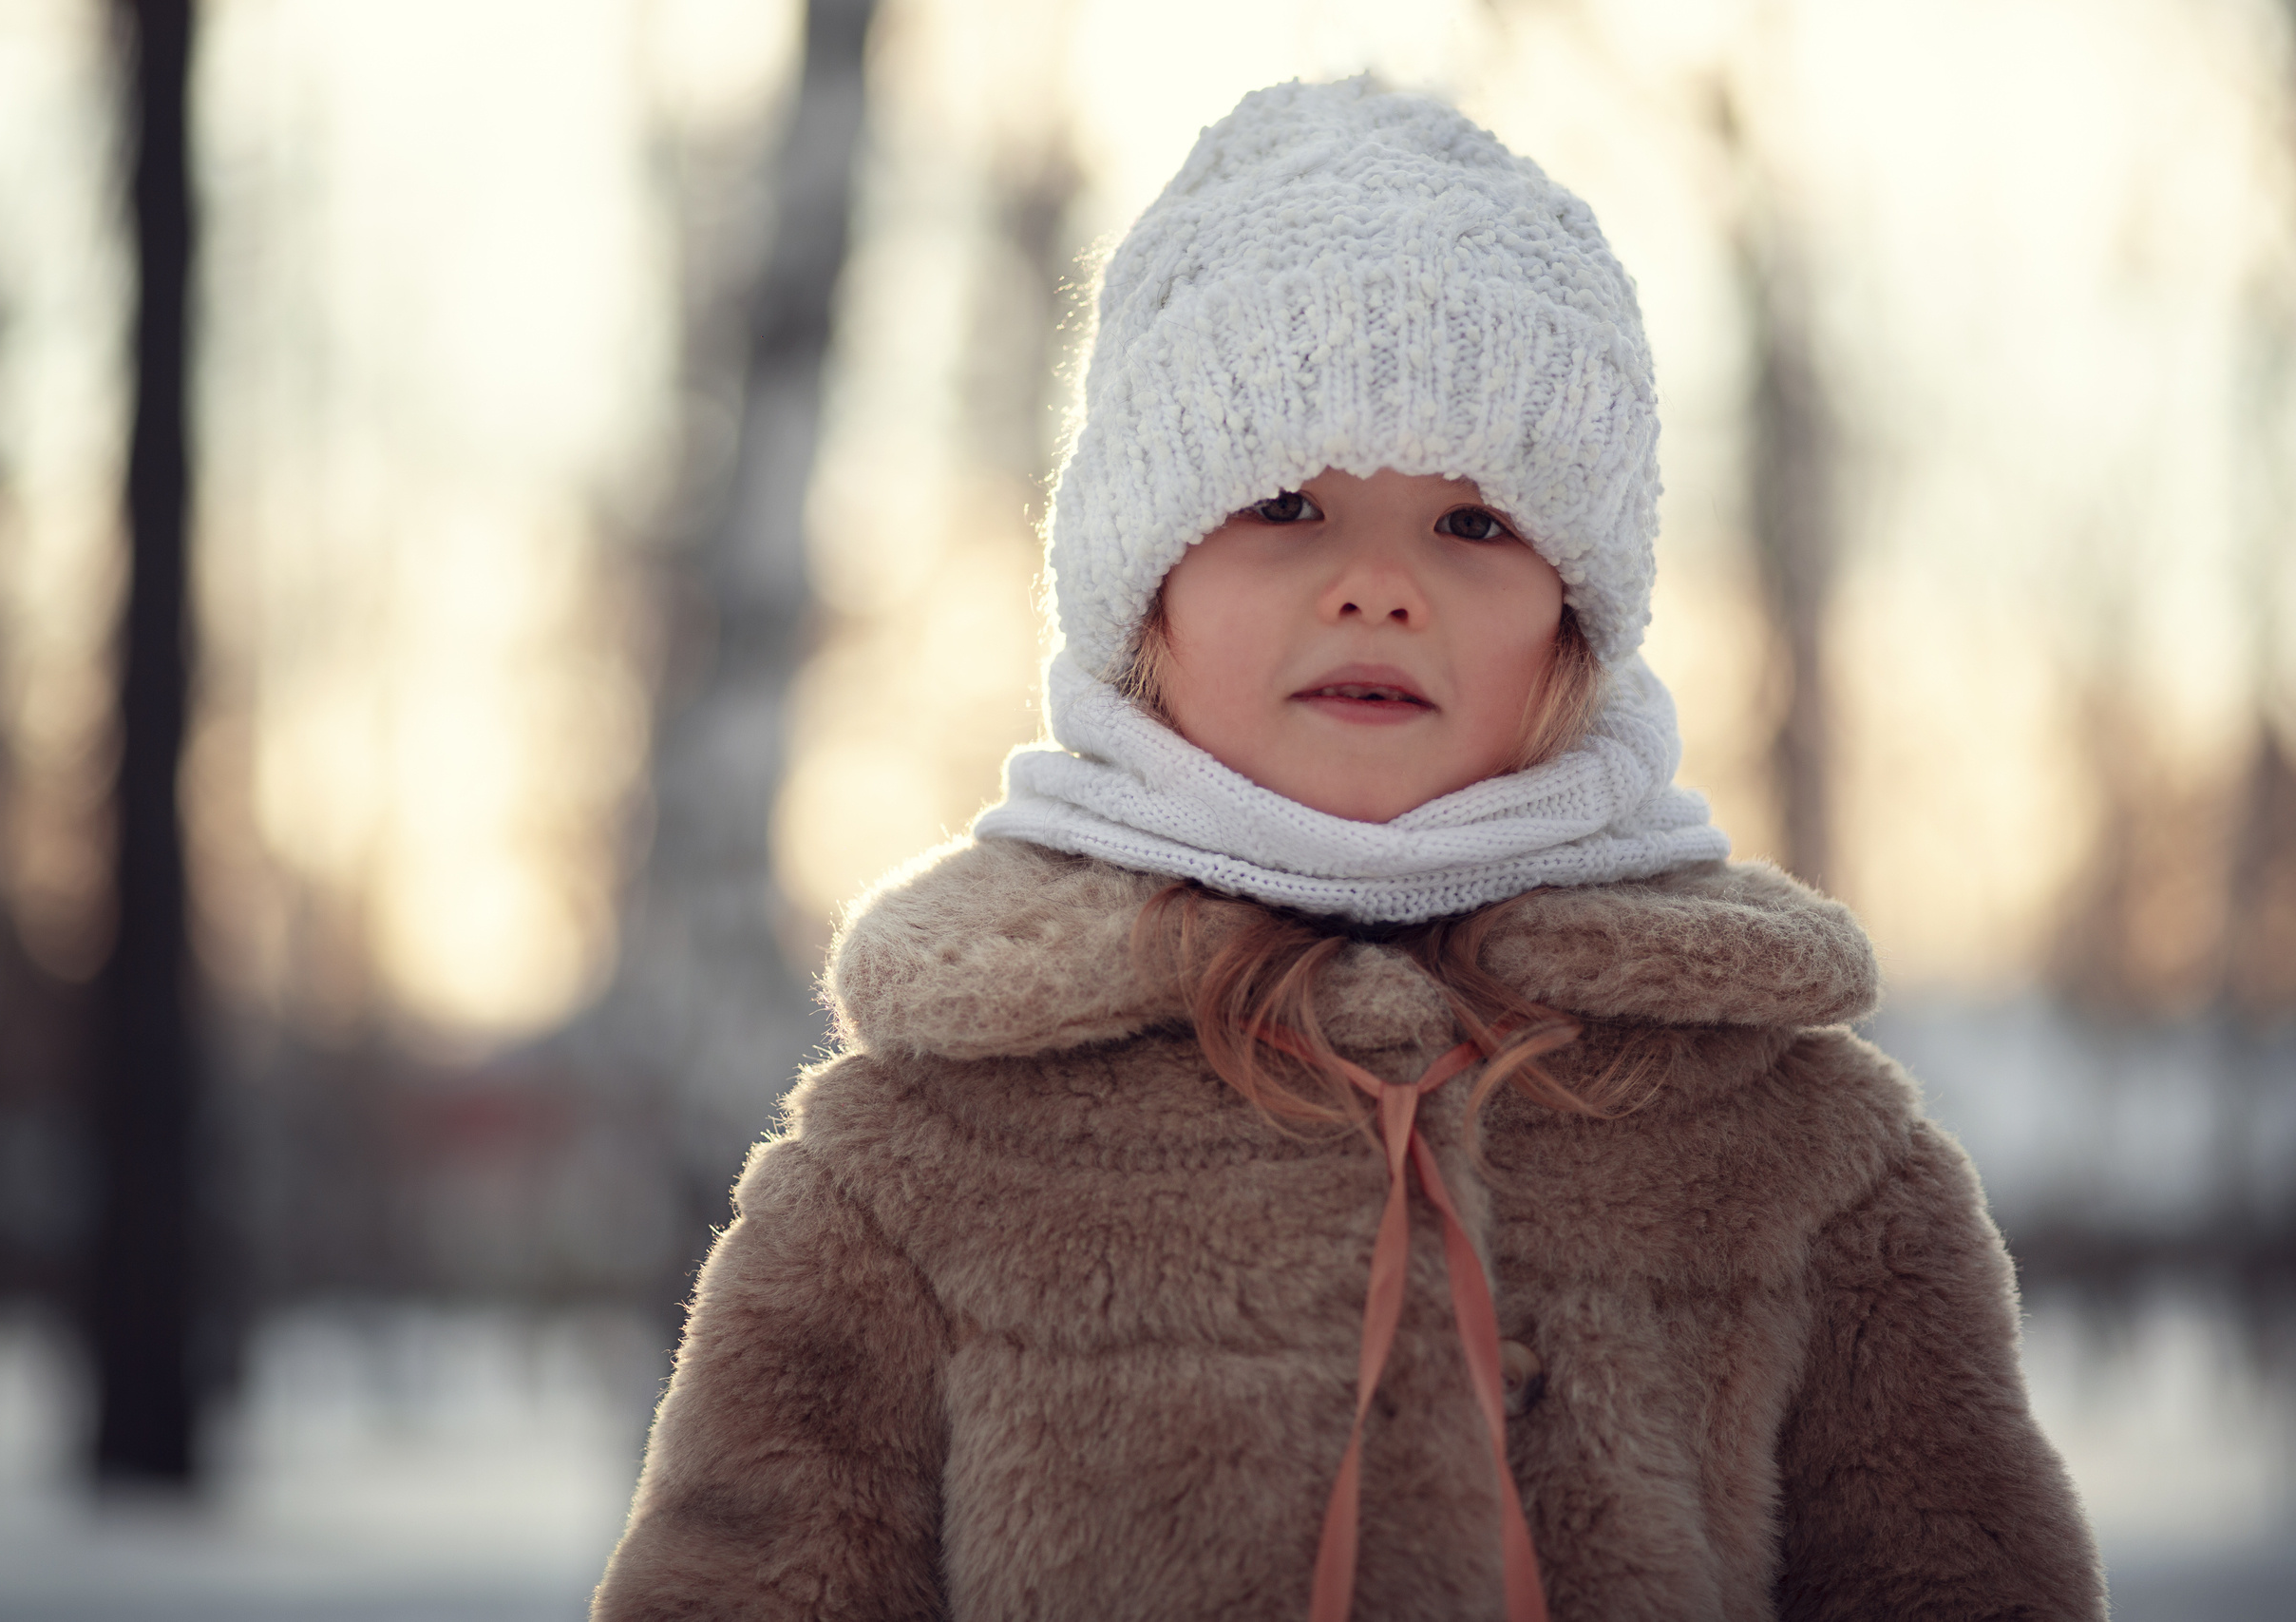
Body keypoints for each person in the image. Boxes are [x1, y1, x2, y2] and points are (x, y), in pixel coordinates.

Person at [591, 79, 2104, 1622]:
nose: (1379, 586)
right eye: (1285, 502)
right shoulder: (911, 1165)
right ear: (1145, 595)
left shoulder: (1803, 1154)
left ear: (1574, 619)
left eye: (1473, 525)